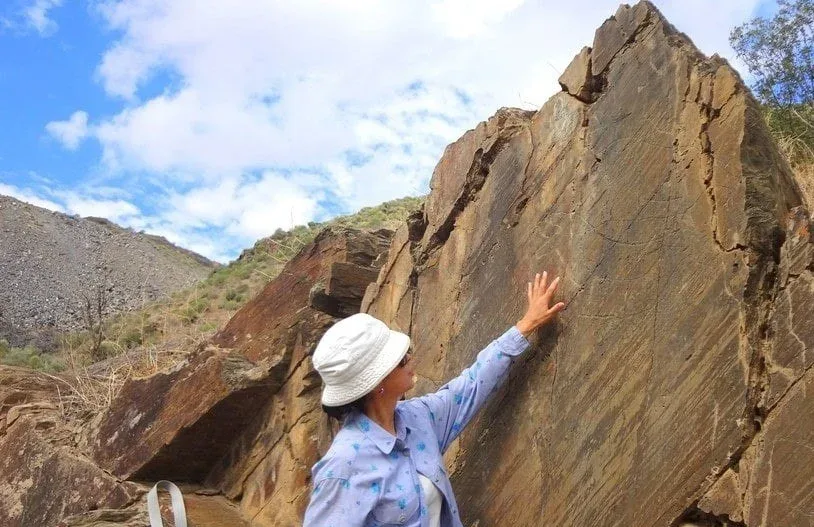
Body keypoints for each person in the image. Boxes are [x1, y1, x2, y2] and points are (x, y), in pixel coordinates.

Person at [304, 271, 565, 527]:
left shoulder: (417, 419)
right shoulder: (342, 468)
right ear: (376, 384)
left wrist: (526, 325)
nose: (410, 358)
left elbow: (471, 385)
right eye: (400, 359)